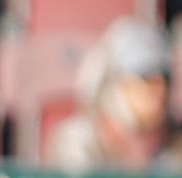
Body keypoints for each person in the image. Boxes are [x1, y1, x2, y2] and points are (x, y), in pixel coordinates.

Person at [47, 18, 172, 170]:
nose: (160, 90)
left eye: (165, 78)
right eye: (146, 77)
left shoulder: (179, 145)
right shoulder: (80, 143)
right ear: (113, 85)